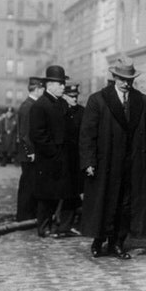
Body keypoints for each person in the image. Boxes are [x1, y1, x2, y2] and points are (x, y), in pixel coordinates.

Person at [79, 56, 146, 260]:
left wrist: (144, 154)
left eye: (129, 79)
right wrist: (88, 161)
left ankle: (118, 243)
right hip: (107, 162)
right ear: (114, 77)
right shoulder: (98, 100)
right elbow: (87, 133)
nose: (126, 83)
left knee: (126, 204)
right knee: (104, 202)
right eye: (121, 79)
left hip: (132, 163)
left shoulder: (142, 100)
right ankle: (98, 241)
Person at [30, 66, 79, 238]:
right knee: (47, 195)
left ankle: (63, 227)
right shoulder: (40, 105)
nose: (62, 87)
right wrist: (54, 153)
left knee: (66, 193)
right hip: (49, 159)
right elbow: (38, 135)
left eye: (63, 83)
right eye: (59, 84)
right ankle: (44, 228)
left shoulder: (62, 103)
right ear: (49, 85)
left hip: (64, 157)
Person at [15, 77, 45, 221]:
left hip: (28, 153)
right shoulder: (29, 106)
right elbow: (25, 133)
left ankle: (26, 215)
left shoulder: (30, 104)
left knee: (29, 184)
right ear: (37, 89)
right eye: (42, 89)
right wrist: (31, 152)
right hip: (29, 154)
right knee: (27, 185)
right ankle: (24, 216)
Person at [63, 83, 85, 228]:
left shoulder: (82, 112)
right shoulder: (59, 111)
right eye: (71, 97)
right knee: (65, 192)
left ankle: (75, 222)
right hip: (64, 157)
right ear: (65, 96)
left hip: (78, 157)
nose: (74, 99)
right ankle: (62, 222)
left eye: (76, 96)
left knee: (78, 190)